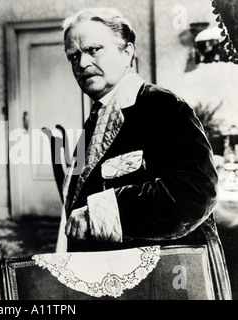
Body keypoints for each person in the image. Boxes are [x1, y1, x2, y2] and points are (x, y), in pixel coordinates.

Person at [58, 7, 232, 300]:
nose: (82, 63)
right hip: (114, 278)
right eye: (74, 56)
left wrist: (98, 213)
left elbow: (194, 193)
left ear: (127, 52)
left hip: (164, 281)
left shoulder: (163, 107)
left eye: (93, 50)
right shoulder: (96, 117)